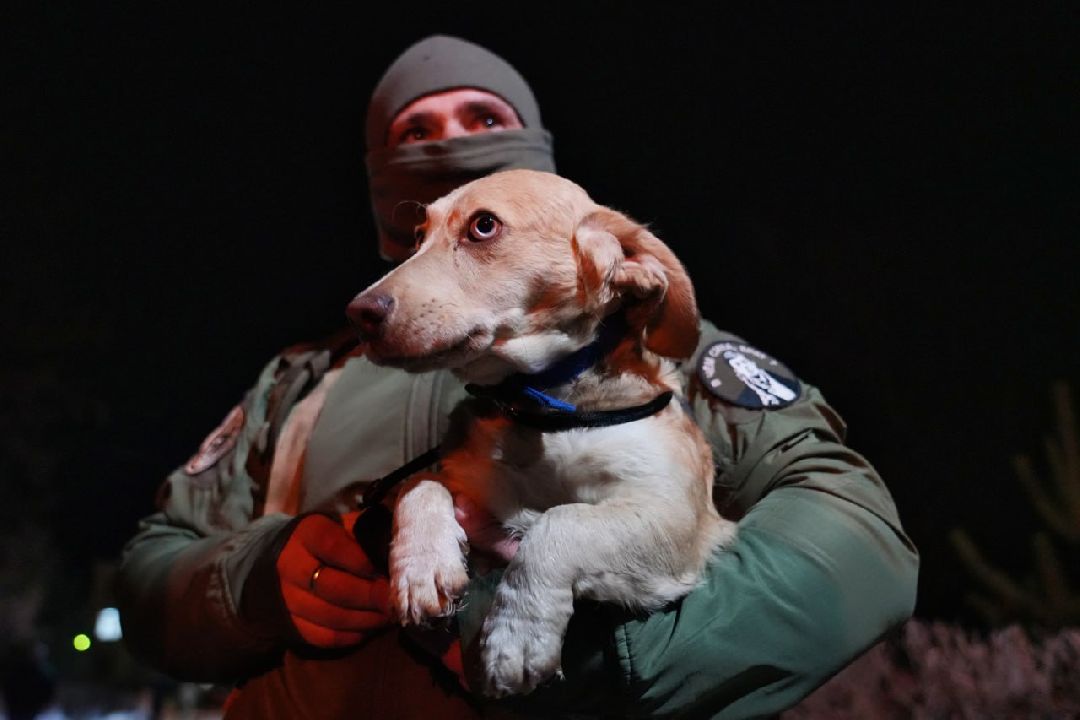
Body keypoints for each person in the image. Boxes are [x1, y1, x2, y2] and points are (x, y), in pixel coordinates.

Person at [116, 35, 918, 719]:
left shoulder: (650, 345)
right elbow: (153, 572)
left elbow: (857, 531)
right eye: (415, 128)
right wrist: (260, 580)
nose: (446, 143)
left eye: (483, 119)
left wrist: (615, 664)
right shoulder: (302, 379)